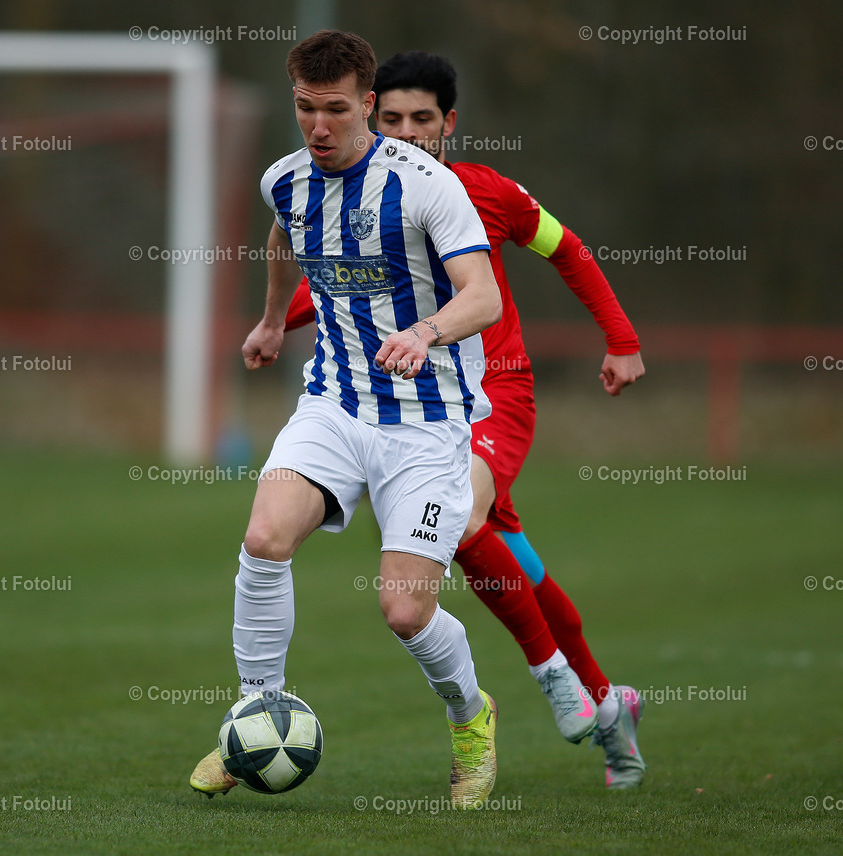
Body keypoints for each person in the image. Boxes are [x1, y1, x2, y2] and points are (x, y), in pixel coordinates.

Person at [282, 51, 647, 788]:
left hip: (496, 391)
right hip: (419, 406)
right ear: (371, 117)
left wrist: (623, 340)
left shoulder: (484, 194)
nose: (409, 134)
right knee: (520, 562)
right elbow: (330, 287)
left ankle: (553, 682)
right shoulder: (359, 193)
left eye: (424, 120)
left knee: (467, 517)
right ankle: (612, 706)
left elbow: (568, 249)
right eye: (392, 120)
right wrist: (277, 325)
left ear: (449, 124)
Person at [189, 31, 504, 809]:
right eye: (304, 108)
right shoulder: (286, 181)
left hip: (428, 421)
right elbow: (281, 240)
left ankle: (471, 717)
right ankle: (256, 714)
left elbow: (484, 295)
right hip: (333, 403)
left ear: (367, 104)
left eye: (335, 110)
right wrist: (270, 324)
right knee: (264, 538)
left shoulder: (425, 183)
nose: (318, 126)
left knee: (404, 609)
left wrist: (427, 331)